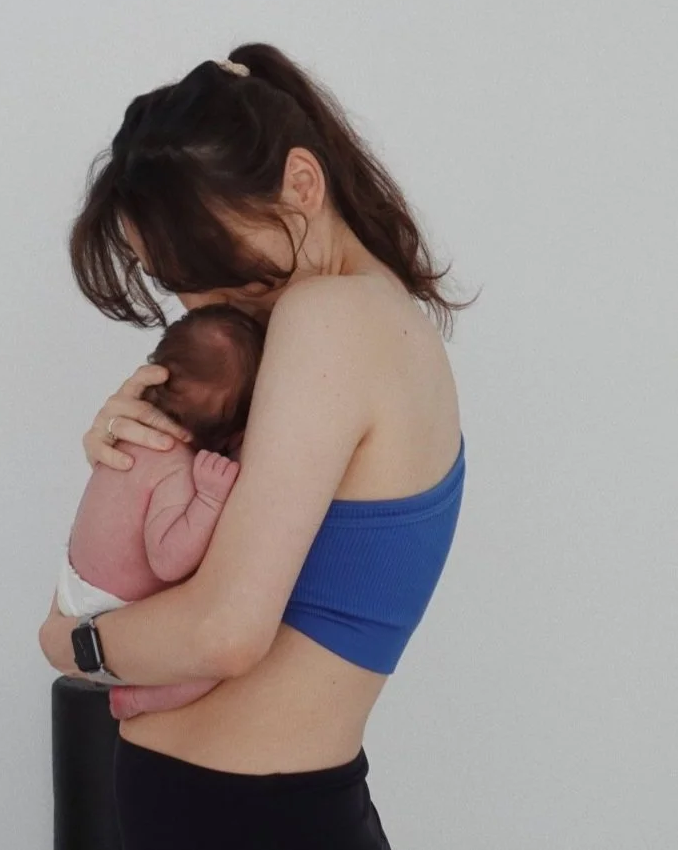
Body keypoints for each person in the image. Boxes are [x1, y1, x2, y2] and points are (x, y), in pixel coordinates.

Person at [39, 43, 468, 850]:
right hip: (263, 811)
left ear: (302, 185)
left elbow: (222, 631)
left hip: (248, 818)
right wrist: (135, 463)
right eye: (175, 281)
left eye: (218, 266)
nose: (202, 306)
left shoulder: (329, 319)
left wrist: (70, 636)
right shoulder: (366, 324)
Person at [57, 303, 264, 721]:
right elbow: (167, 561)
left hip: (71, 590)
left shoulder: (127, 435)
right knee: (212, 667)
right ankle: (135, 700)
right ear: (237, 434)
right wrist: (208, 500)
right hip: (108, 614)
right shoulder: (177, 468)